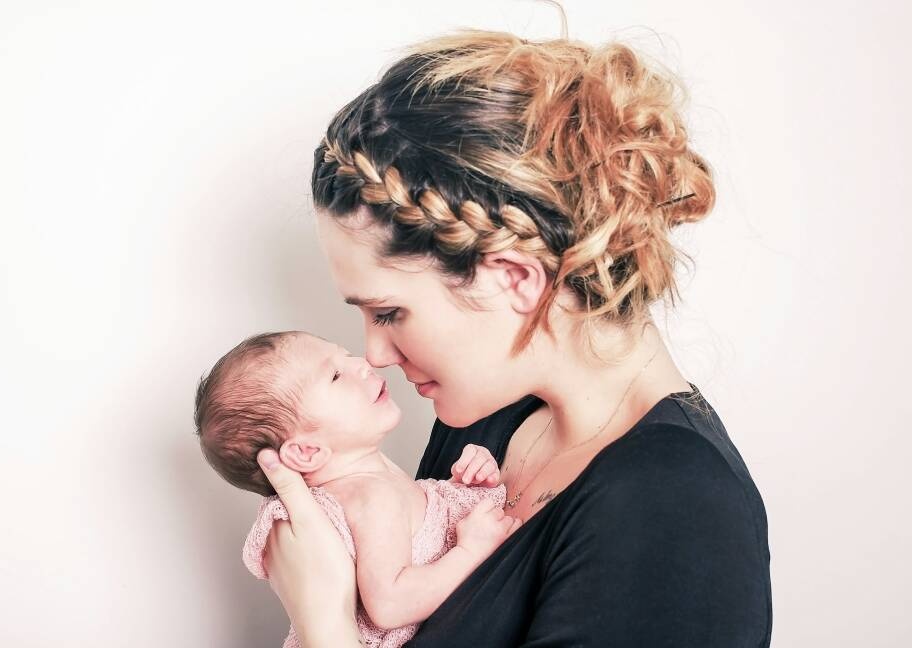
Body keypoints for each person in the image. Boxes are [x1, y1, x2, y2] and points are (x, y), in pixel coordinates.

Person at [256, 28, 772, 647]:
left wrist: (323, 620)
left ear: (516, 279)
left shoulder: (675, 507)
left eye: (389, 312)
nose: (375, 354)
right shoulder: (484, 420)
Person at [192, 330, 522, 647]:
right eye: (335, 375)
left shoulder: (368, 484)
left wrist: (462, 487)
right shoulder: (370, 496)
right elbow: (390, 604)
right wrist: (470, 551)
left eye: (347, 355)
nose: (362, 363)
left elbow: (420, 535)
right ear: (306, 451)